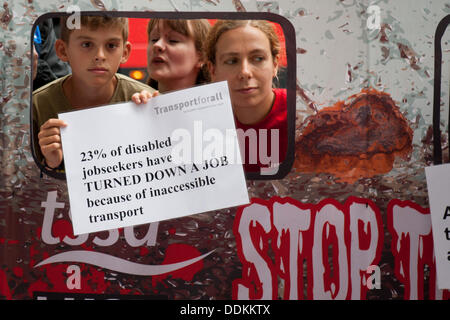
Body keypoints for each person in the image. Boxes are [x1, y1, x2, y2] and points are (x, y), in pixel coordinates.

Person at [33, 15, 156, 172]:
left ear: (125, 52)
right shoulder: (37, 106)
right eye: (86, 44)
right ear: (62, 50)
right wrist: (50, 164)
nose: (100, 55)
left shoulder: (145, 102)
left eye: (111, 45)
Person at [205, 19, 287, 173]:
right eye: (231, 61)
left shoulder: (304, 115)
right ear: (213, 70)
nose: (244, 72)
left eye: (258, 59)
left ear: (275, 64)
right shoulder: (198, 123)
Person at [132, 18, 210, 103]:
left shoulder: (217, 109)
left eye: (173, 40)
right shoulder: (135, 103)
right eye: (154, 39)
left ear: (202, 57)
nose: (157, 45)